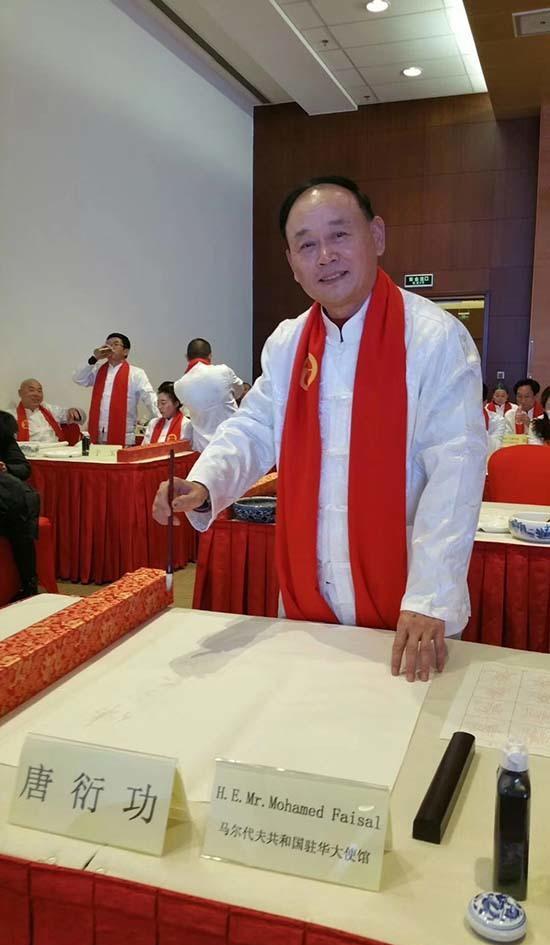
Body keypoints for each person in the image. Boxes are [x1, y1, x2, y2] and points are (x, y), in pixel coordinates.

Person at [153, 176, 487, 682]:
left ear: (376, 235)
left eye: (339, 235)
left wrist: (430, 597)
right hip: (310, 588)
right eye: (306, 245)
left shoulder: (433, 337)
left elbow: (456, 469)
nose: (325, 256)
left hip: (405, 600)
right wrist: (204, 483)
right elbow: (255, 426)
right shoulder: (289, 342)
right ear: (292, 263)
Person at [73, 333, 158, 445]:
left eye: (115, 344)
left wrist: (164, 419)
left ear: (125, 351)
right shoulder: (98, 370)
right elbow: (78, 379)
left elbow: (149, 398)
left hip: (123, 434)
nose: (110, 347)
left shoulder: (136, 373)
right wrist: (94, 358)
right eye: (108, 344)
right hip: (97, 433)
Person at [172, 338, 245, 451]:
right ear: (210, 356)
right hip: (232, 441)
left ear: (187, 357)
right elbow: (240, 390)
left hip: (203, 448)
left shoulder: (179, 386)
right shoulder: (223, 371)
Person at [0, 411, 40, 598]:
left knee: (20, 520)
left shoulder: (3, 430)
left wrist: (6, 468)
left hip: (11, 501)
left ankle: (29, 583)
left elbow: (24, 469)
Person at [13, 378, 86, 443]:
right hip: (31, 452)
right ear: (20, 393)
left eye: (39, 391)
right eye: (31, 390)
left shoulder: (48, 409)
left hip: (57, 449)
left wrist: (74, 411)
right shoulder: (12, 416)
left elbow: (81, 418)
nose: (36, 394)